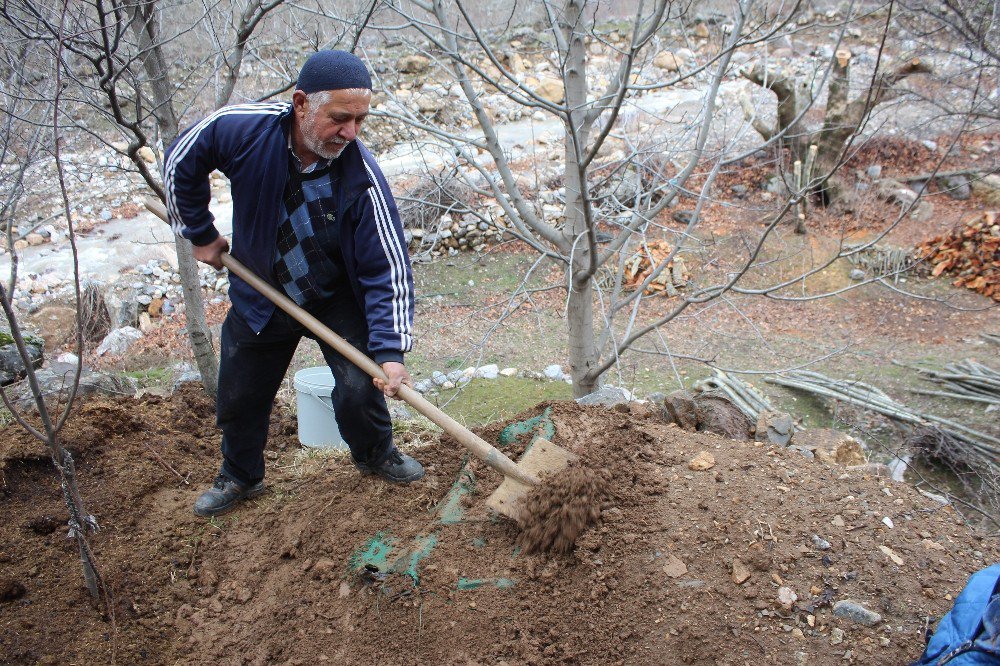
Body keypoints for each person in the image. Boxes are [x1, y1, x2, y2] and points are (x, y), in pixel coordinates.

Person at [164, 50, 424, 518]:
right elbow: (183, 158)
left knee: (359, 387)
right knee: (241, 391)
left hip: (333, 296)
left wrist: (388, 352)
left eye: (360, 120)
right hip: (260, 288)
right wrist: (200, 232)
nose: (351, 133)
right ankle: (240, 475)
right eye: (340, 119)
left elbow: (386, 269)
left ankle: (376, 453)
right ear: (301, 103)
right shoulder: (243, 130)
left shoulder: (362, 180)